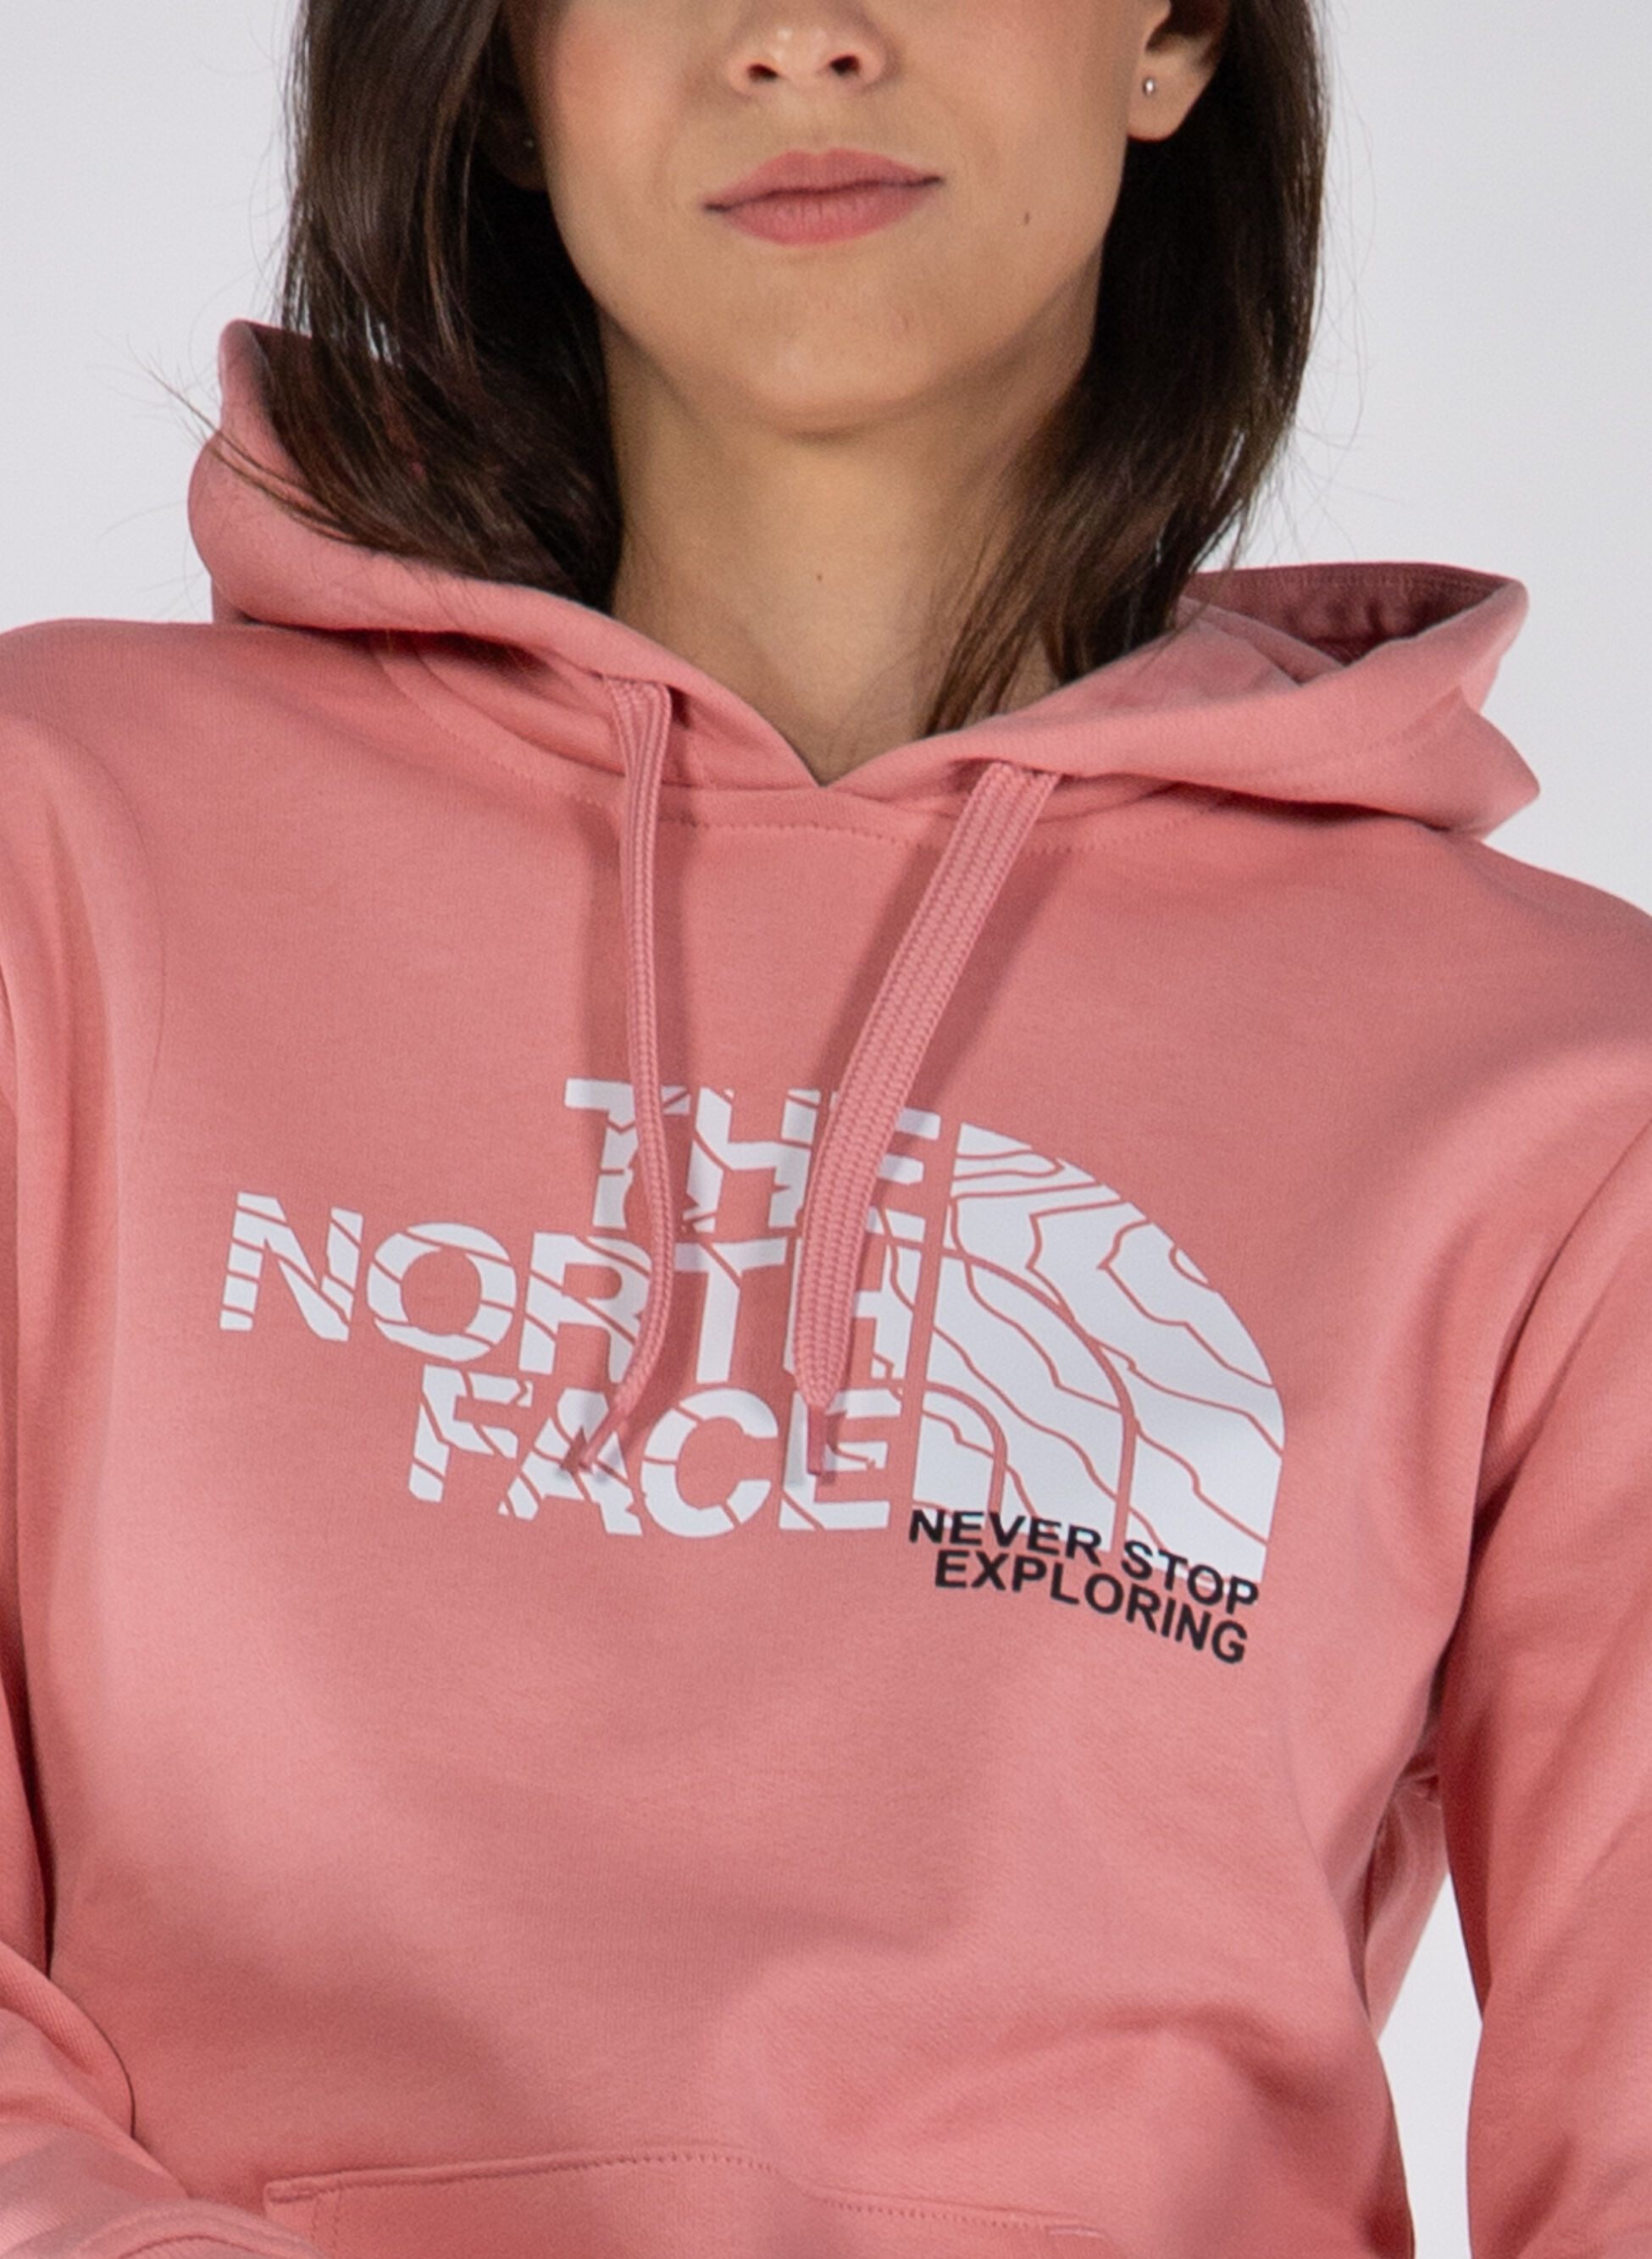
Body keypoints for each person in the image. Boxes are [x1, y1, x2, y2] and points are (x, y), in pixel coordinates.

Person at [0, 1, 1648, 2256]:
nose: (797, 38)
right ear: (504, 71)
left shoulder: (1555, 1085)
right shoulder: (66, 844)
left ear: (1172, 34)